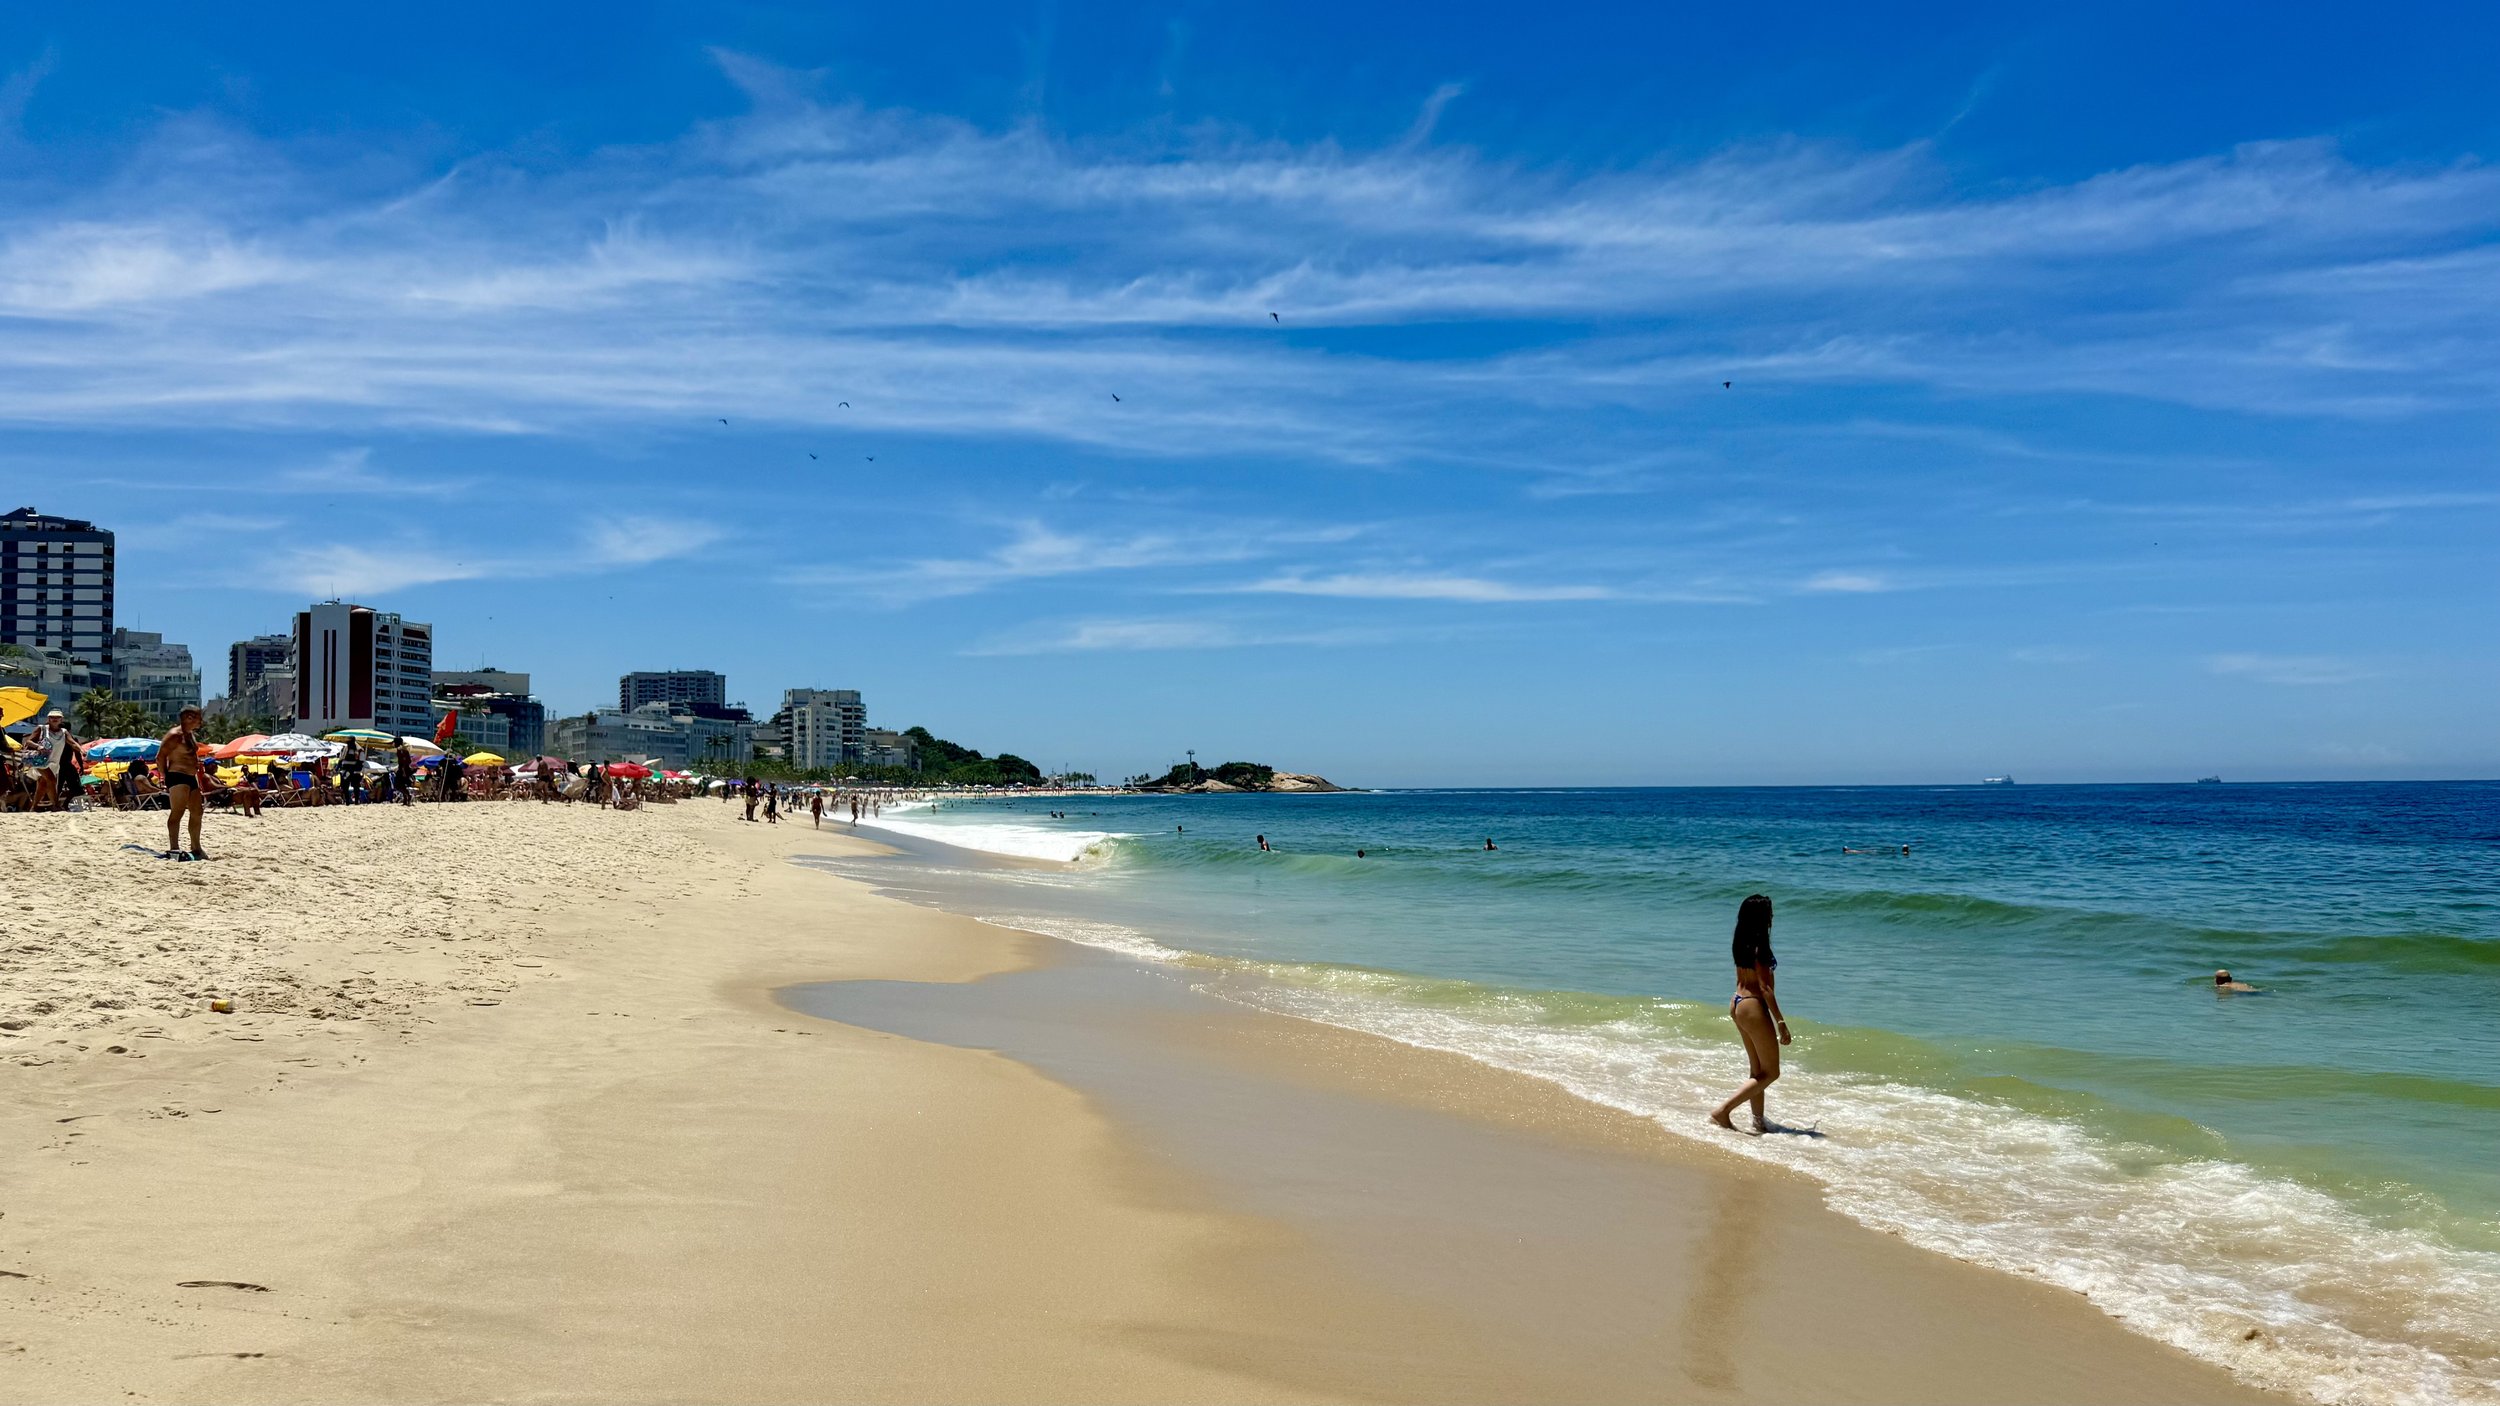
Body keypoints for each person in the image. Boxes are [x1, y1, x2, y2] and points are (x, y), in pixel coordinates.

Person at [1711, 894, 1791, 1135]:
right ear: (1762, 918)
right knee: (1772, 1072)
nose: (1772, 916)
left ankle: (1758, 1122)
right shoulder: (1760, 946)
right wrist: (1781, 1022)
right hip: (1753, 1005)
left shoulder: (1741, 941)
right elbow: (1766, 988)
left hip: (1737, 1001)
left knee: (1757, 1071)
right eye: (1770, 913)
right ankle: (1723, 1111)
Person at [159, 706, 211, 860]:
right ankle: (174, 847)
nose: (200, 721)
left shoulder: (190, 735)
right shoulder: (174, 735)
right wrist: (165, 778)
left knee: (197, 812)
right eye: (198, 718)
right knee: (178, 811)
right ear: (188, 717)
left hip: (190, 777)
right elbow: (160, 756)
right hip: (177, 775)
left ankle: (196, 847)